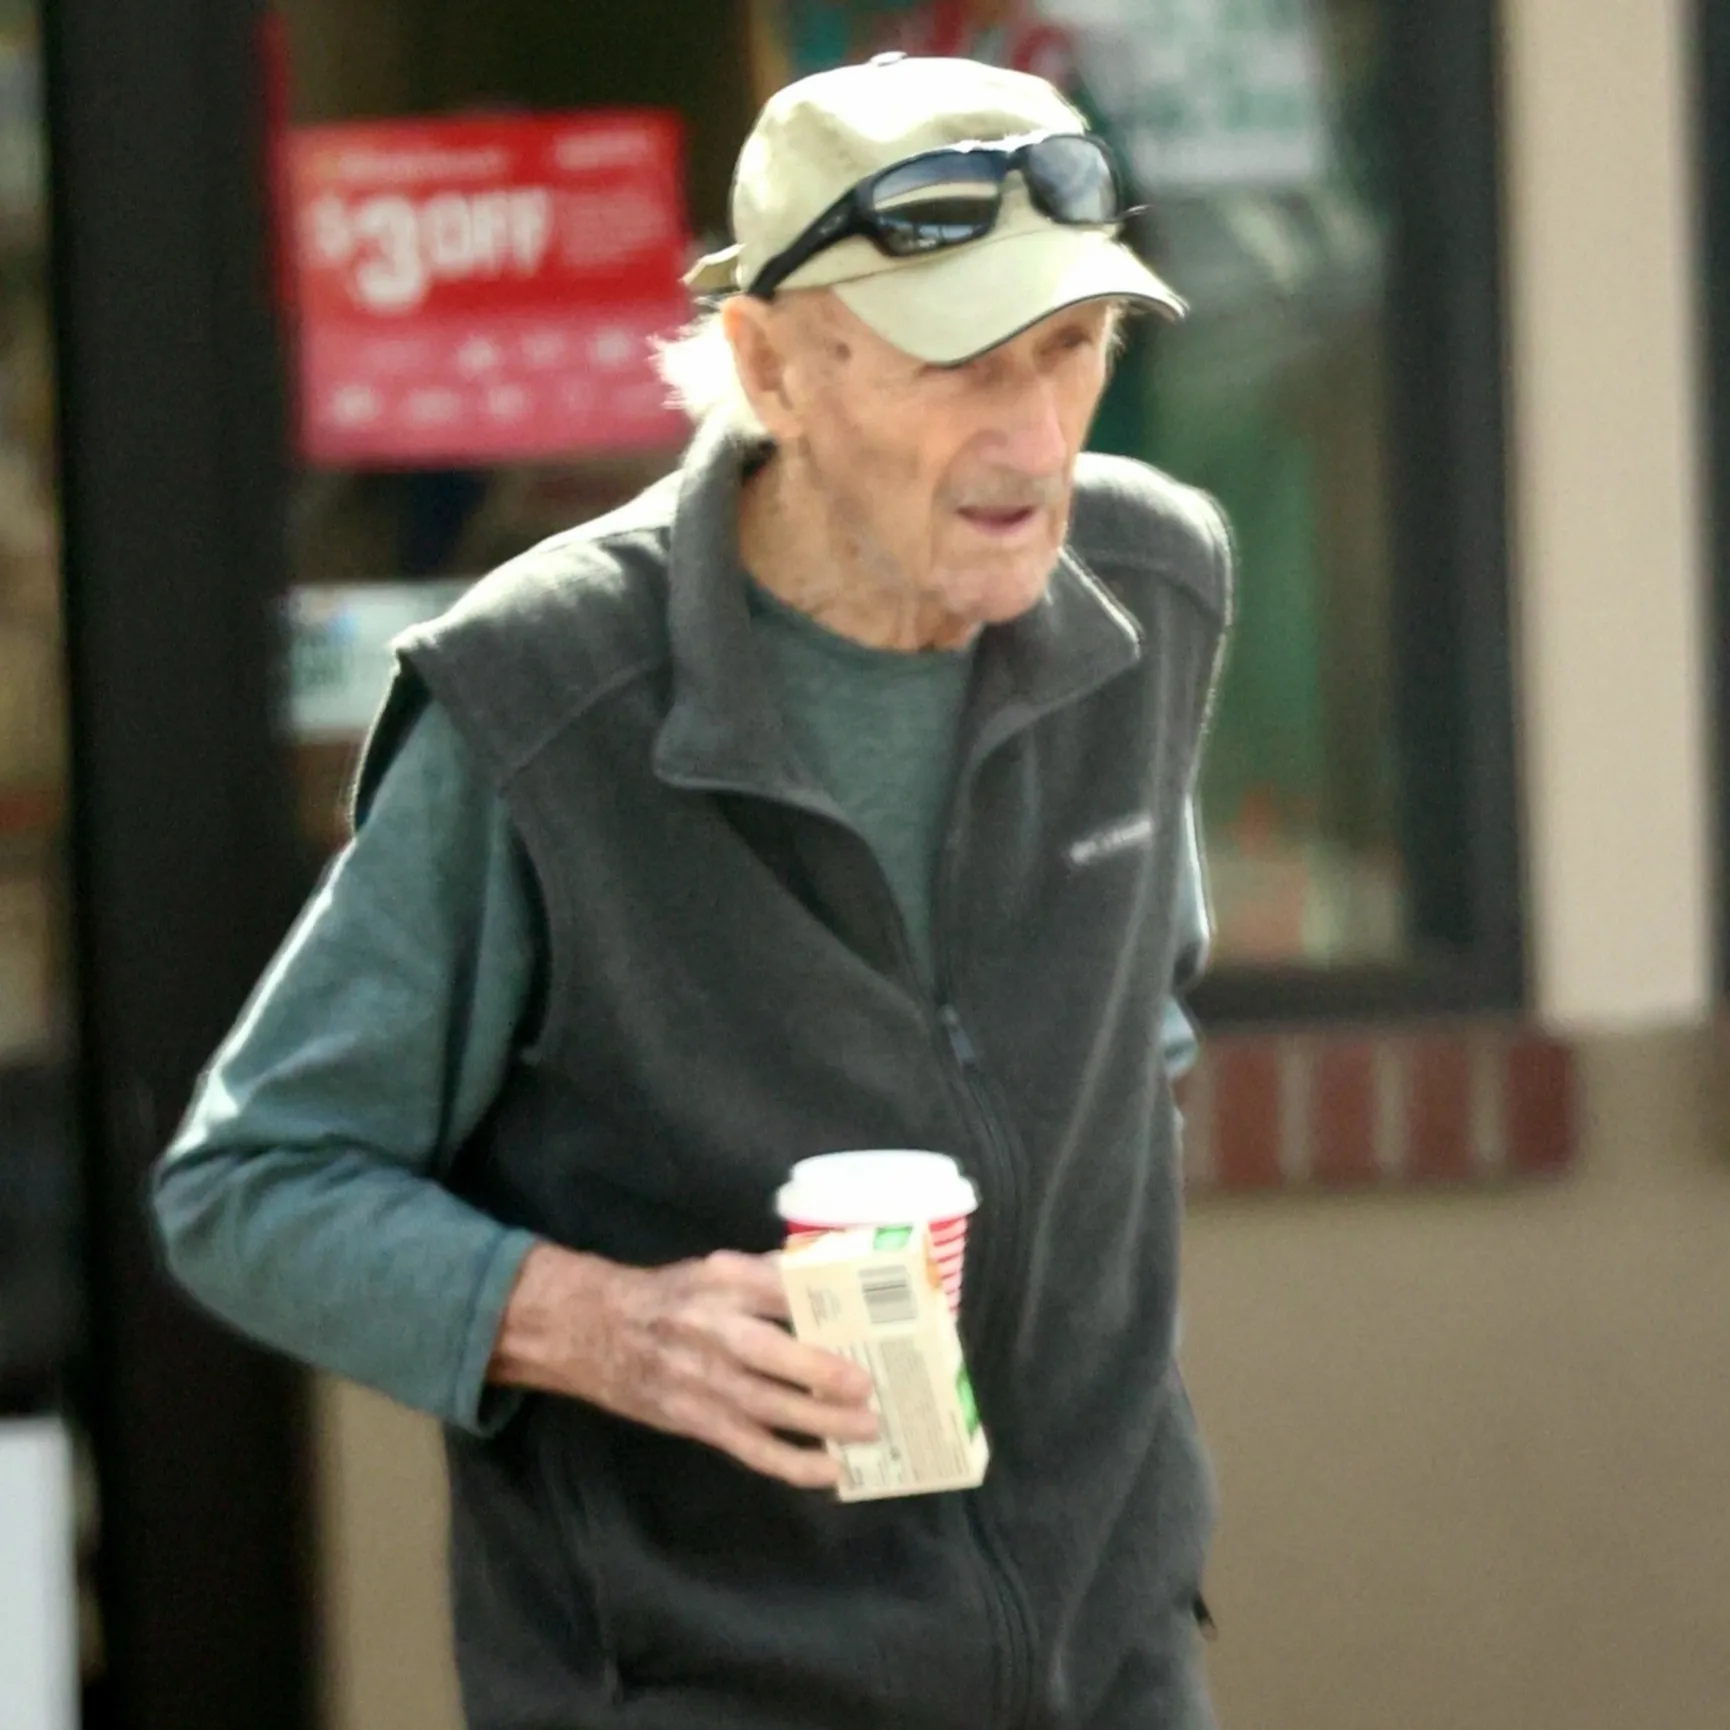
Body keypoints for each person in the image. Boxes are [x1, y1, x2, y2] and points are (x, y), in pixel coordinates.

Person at [153, 52, 1234, 1730]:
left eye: (1071, 347)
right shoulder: (544, 696)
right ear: (769, 368)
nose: (1031, 435)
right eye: (957, 362)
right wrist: (593, 1323)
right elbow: (254, 1185)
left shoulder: (1151, 589)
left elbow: (1137, 1018)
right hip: (692, 1684)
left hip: (1111, 1673)